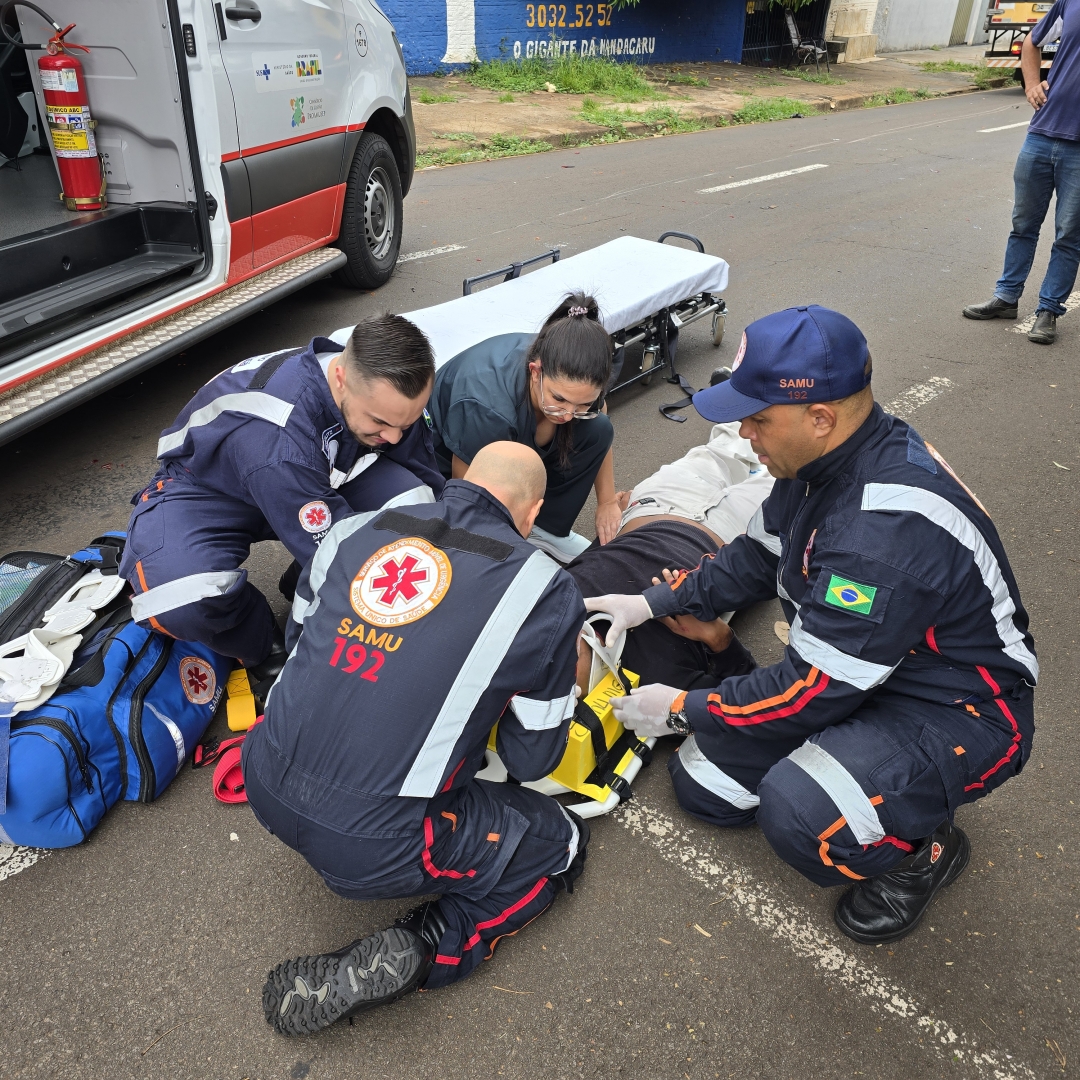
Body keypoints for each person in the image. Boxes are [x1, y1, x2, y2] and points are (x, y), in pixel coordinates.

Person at [585, 306, 1037, 945]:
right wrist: (651, 603)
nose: (744, 434)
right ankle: (846, 757)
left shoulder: (878, 535)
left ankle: (923, 851)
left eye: (759, 418)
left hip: (955, 706)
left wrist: (683, 706)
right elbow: (754, 556)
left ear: (820, 417)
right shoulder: (816, 466)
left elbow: (814, 690)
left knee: (801, 815)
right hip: (867, 669)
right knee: (705, 787)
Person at [245, 442, 589, 1036]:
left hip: (263, 777)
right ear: (530, 514)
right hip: (373, 841)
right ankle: (433, 942)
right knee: (557, 843)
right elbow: (531, 759)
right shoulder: (545, 590)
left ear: (463, 478)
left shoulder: (356, 530)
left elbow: (305, 647)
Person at [119, 315, 445, 689]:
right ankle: (262, 646)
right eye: (380, 423)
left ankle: (298, 579)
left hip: (318, 472)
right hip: (209, 488)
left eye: (404, 422)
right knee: (180, 599)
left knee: (416, 505)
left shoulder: (378, 384)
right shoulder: (278, 442)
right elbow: (340, 557)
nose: (393, 435)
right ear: (340, 378)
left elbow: (422, 469)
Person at [565, 421, 774, 692]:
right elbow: (749, 699)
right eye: (559, 664)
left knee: (721, 446)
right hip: (731, 535)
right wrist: (720, 638)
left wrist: (614, 523)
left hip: (650, 506)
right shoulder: (653, 683)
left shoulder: (551, 604)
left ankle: (741, 399)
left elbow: (594, 559)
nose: (554, 644)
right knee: (793, 471)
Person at [427, 293, 618, 563]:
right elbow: (466, 487)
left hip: (515, 425)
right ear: (536, 371)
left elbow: (601, 418)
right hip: (447, 461)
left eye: (582, 404)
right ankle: (508, 532)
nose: (567, 415)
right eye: (559, 399)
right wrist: (497, 549)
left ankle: (545, 529)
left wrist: (607, 502)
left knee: (598, 428)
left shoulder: (574, 371)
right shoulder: (487, 405)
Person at [963, 0, 1079, 344]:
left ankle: (1048, 311)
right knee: (1023, 223)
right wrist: (1031, 84)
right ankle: (1007, 297)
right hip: (1042, 134)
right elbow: (1032, 41)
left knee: (1069, 235)